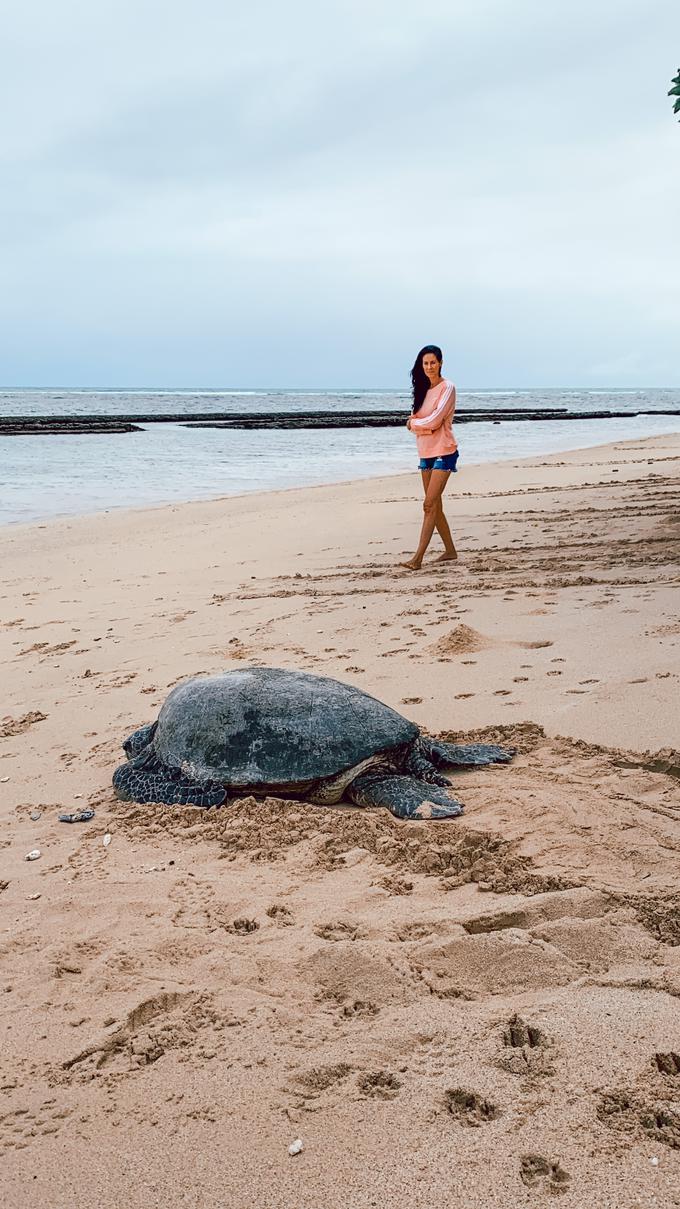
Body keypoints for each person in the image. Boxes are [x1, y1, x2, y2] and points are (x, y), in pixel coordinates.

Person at [401, 344, 459, 570]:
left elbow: (433, 421)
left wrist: (415, 425)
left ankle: (417, 559)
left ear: (441, 363)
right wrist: (420, 426)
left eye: (433, 362)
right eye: (425, 363)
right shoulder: (423, 391)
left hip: (444, 452)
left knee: (428, 505)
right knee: (435, 507)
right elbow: (420, 420)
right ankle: (451, 551)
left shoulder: (448, 388)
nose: (429, 367)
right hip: (425, 453)